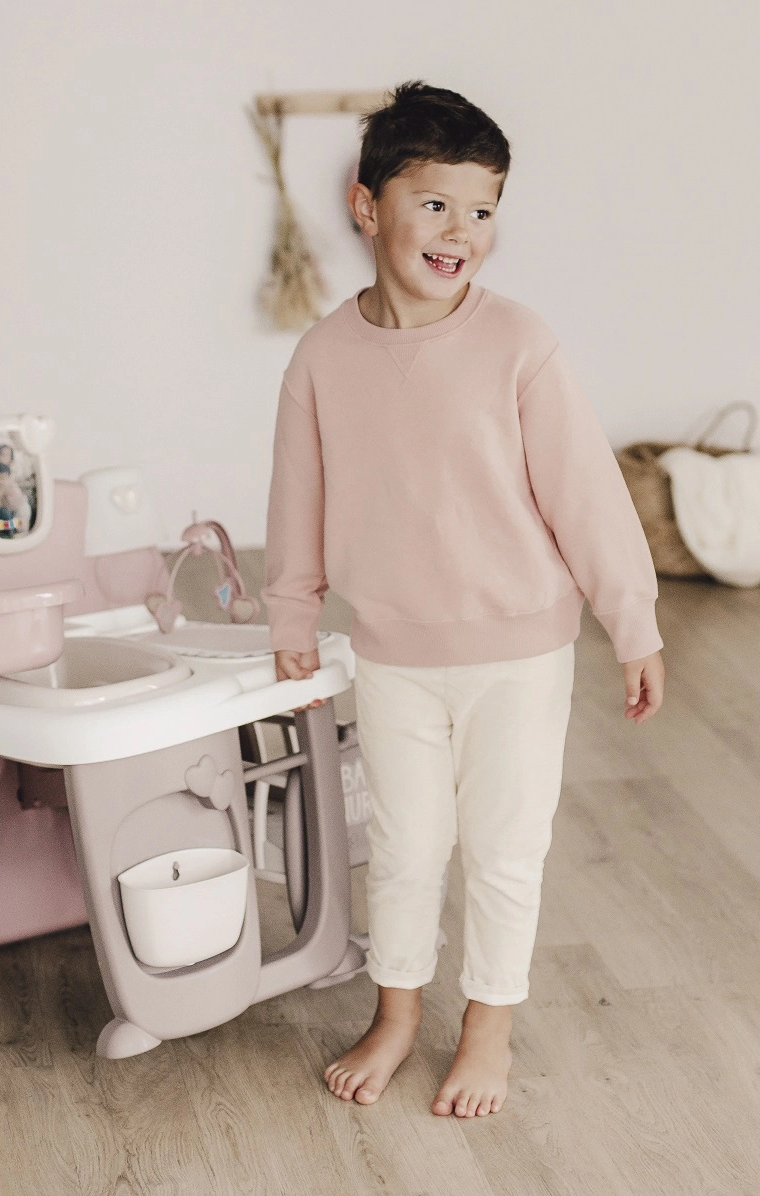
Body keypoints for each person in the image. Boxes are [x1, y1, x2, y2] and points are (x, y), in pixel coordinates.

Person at [260, 81, 665, 1119]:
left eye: (482, 210)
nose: (460, 232)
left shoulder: (518, 343)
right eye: (435, 204)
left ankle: (488, 1026)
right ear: (366, 206)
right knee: (402, 848)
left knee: (502, 849)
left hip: (517, 655)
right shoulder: (321, 358)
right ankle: (396, 1012)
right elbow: (296, 501)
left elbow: (585, 495)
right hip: (392, 652)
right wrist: (292, 619)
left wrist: (632, 624)